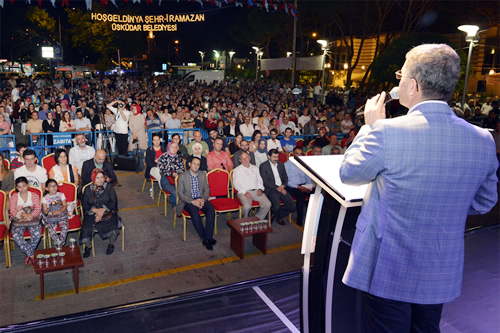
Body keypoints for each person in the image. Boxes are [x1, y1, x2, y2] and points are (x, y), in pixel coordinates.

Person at [339, 44, 498, 332]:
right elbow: (484, 202)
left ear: (412, 85)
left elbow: (349, 173)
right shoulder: (483, 139)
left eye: (401, 73)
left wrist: (371, 126)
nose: (398, 79)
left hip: (388, 268)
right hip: (439, 268)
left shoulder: (387, 132)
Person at [176, 157, 217, 250]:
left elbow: (207, 189)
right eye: (194, 163)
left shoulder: (202, 175)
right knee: (195, 213)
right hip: (188, 201)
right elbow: (180, 193)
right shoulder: (182, 176)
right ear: (189, 164)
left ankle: (208, 237)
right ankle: (205, 237)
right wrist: (192, 201)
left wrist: (203, 199)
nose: (196, 166)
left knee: (211, 211)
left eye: (198, 164)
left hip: (201, 199)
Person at [80, 169, 121, 258]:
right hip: (92, 213)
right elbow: (85, 204)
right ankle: (88, 246)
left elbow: (113, 202)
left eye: (102, 177)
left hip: (107, 213)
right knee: (87, 228)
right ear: (93, 178)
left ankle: (111, 244)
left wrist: (101, 211)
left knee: (113, 227)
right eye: (97, 178)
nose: (100, 180)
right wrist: (95, 211)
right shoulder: (88, 189)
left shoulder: (109, 187)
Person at [9, 177, 42, 265]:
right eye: (19, 187)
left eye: (24, 186)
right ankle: (31, 254)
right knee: (16, 235)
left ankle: (28, 254)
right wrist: (22, 216)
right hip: (19, 220)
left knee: (37, 234)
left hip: (32, 219)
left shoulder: (34, 195)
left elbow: (38, 208)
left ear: (27, 185)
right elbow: (12, 210)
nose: (22, 189)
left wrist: (29, 216)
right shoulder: (14, 196)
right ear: (16, 187)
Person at [259, 149, 295, 225]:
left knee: (292, 206)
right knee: (276, 206)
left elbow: (286, 178)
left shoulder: (281, 165)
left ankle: (278, 215)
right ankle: (276, 214)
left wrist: (283, 186)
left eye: (277, 157)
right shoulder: (263, 166)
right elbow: (265, 182)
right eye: (274, 157)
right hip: (271, 190)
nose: (276, 159)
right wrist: (278, 188)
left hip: (281, 188)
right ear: (268, 157)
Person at [233, 152, 272, 221]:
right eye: (243, 158)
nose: (245, 160)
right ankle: (243, 220)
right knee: (247, 207)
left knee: (267, 204)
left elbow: (260, 180)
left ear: (250, 158)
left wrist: (260, 189)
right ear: (240, 160)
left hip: (256, 191)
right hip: (244, 192)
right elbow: (236, 184)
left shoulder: (255, 168)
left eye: (247, 158)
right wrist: (245, 192)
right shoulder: (237, 170)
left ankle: (257, 219)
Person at [284, 147, 314, 226]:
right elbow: (287, 181)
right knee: (301, 197)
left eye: (301, 154)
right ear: (293, 154)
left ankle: (314, 217)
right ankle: (299, 220)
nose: (299, 155)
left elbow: (308, 177)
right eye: (297, 153)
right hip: (292, 186)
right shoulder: (287, 164)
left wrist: (309, 186)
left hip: (304, 184)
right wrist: (299, 187)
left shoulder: (304, 164)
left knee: (316, 194)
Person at [158, 141, 185, 215]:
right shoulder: (163, 157)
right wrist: (172, 173)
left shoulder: (179, 157)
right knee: (175, 192)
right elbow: (162, 171)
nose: (174, 149)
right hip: (166, 180)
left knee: (184, 191)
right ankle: (174, 206)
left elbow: (182, 169)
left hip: (177, 179)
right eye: (172, 147)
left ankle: (183, 206)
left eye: (175, 147)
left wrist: (178, 173)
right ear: (169, 147)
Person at [42, 179, 68, 249]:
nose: (53, 188)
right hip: (51, 216)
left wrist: (60, 210)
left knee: (64, 228)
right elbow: (45, 210)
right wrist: (52, 213)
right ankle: (57, 242)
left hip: (61, 215)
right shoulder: (45, 198)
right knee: (51, 229)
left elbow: (65, 205)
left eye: (55, 186)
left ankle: (60, 244)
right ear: (47, 188)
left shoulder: (61, 195)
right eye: (51, 186)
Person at [128, 104, 148, 171]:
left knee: (142, 150)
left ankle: (142, 164)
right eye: (133, 109)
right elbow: (130, 125)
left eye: (135, 109)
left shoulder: (142, 116)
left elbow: (141, 125)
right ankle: (135, 165)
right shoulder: (131, 117)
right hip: (133, 134)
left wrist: (134, 132)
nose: (134, 110)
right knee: (134, 151)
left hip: (140, 134)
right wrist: (133, 132)